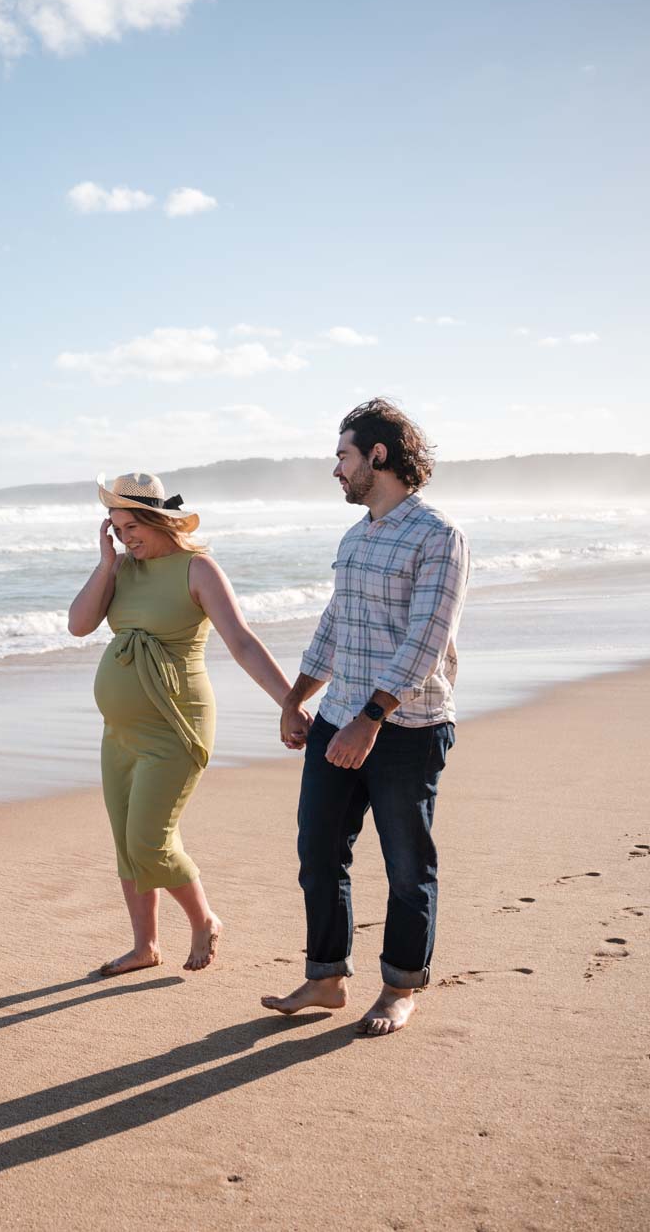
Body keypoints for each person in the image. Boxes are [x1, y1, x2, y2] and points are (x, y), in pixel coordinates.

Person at [262, 399, 470, 1036]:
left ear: (377, 456)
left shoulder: (439, 536)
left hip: (404, 727)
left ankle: (401, 987)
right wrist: (297, 698)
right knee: (318, 850)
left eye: (343, 456)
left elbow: (425, 639)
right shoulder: (355, 538)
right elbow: (335, 627)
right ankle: (326, 977)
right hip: (339, 715)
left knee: (407, 864)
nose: (337, 470)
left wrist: (371, 718)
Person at [69, 471, 296, 976]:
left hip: (175, 726)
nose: (126, 538)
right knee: (126, 842)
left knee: (150, 840)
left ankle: (204, 919)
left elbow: (241, 641)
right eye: (116, 528)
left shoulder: (198, 569)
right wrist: (106, 564)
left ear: (158, 520)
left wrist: (289, 702)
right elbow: (79, 624)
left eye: (132, 527)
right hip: (120, 733)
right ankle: (144, 946)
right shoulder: (120, 569)